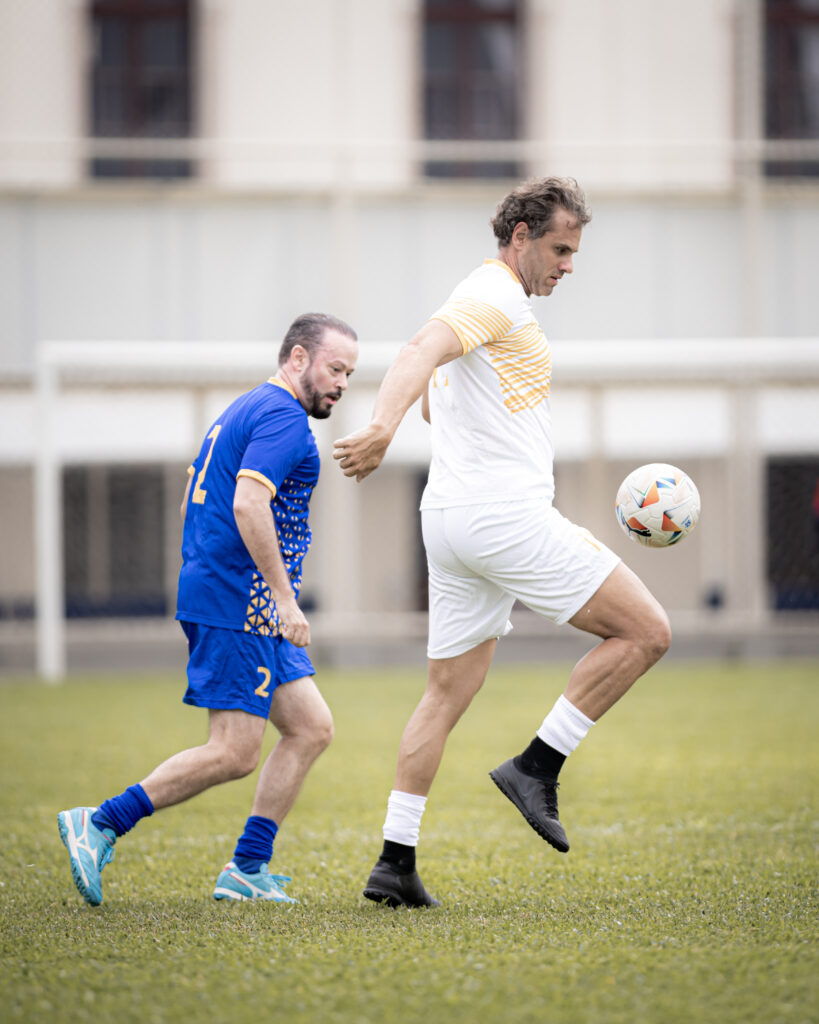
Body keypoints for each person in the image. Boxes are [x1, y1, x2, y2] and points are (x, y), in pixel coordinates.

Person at [333, 177, 671, 908]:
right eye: (560, 249)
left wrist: (431, 411)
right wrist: (383, 426)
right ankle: (537, 766)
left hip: (448, 520)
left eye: (573, 252)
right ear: (520, 237)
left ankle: (394, 860)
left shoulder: (481, 301)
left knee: (445, 692)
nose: (568, 265)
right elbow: (419, 349)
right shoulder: (495, 295)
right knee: (646, 631)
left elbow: (436, 383)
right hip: (504, 517)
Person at [58, 312, 359, 906]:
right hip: (241, 603)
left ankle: (247, 867)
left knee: (310, 728)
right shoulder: (283, 417)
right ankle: (100, 822)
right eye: (335, 368)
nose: (342, 383)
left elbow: (188, 505)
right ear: (298, 358)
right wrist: (280, 597)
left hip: (232, 596)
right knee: (234, 750)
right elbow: (248, 504)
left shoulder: (241, 410)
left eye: (349, 373)